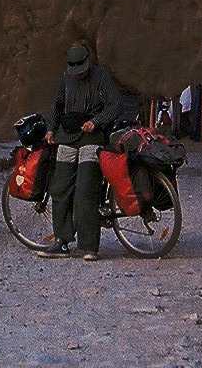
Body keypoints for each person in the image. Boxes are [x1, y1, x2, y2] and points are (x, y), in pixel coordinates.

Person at [44, 40, 121, 259]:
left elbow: (114, 104)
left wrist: (96, 122)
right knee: (60, 188)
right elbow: (57, 105)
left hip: (91, 137)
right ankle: (62, 240)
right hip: (67, 136)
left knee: (86, 190)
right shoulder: (65, 78)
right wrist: (51, 129)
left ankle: (89, 246)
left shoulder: (101, 76)